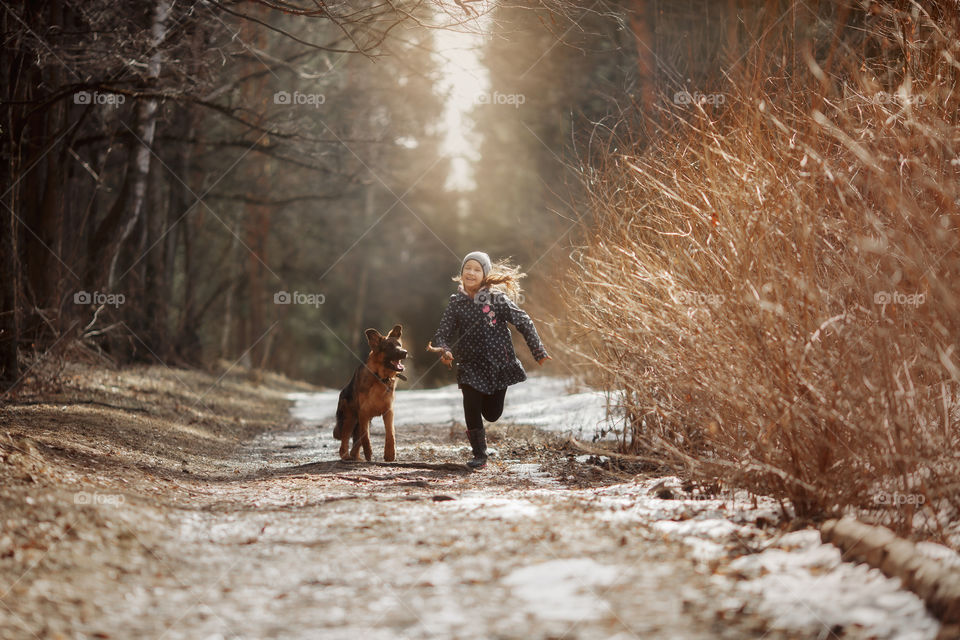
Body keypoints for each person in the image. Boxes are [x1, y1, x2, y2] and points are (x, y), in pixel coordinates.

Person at [431, 251, 550, 468]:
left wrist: (538, 350)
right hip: (470, 365)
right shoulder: (456, 302)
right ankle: (480, 454)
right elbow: (442, 334)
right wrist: (444, 350)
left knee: (492, 414)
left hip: (498, 366)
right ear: (461, 272)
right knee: (471, 403)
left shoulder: (496, 299)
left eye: (477, 269)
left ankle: (486, 423)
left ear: (485, 275)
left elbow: (523, 321)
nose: (471, 272)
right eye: (468, 268)